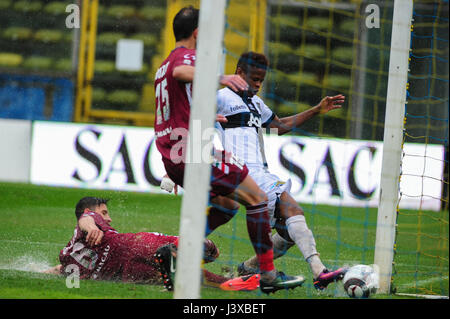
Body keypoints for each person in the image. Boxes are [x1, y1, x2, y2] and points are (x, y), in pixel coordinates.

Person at [153, 6, 305, 294]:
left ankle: (176, 253)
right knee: (257, 199)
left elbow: (174, 104)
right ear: (198, 32)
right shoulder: (185, 58)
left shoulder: (162, 65)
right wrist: (220, 77)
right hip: (191, 152)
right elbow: (182, 71)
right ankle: (269, 276)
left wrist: (208, 118)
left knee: (228, 204)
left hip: (175, 152)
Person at [214, 51, 348, 290]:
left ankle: (250, 267)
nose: (257, 84)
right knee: (291, 207)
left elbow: (278, 126)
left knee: (288, 232)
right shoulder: (221, 97)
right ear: (239, 72)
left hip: (261, 173)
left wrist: (316, 110)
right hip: (242, 171)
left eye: (261, 80)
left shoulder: (255, 103)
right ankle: (320, 271)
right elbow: (194, 120)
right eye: (253, 78)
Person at [44, 196, 260, 292]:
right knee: (209, 250)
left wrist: (41, 271)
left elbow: (63, 269)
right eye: (104, 213)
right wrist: (91, 226)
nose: (108, 219)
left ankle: (228, 282)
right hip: (134, 246)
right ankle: (230, 277)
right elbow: (87, 218)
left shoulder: (69, 253)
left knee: (185, 276)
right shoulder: (90, 222)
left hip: (127, 273)